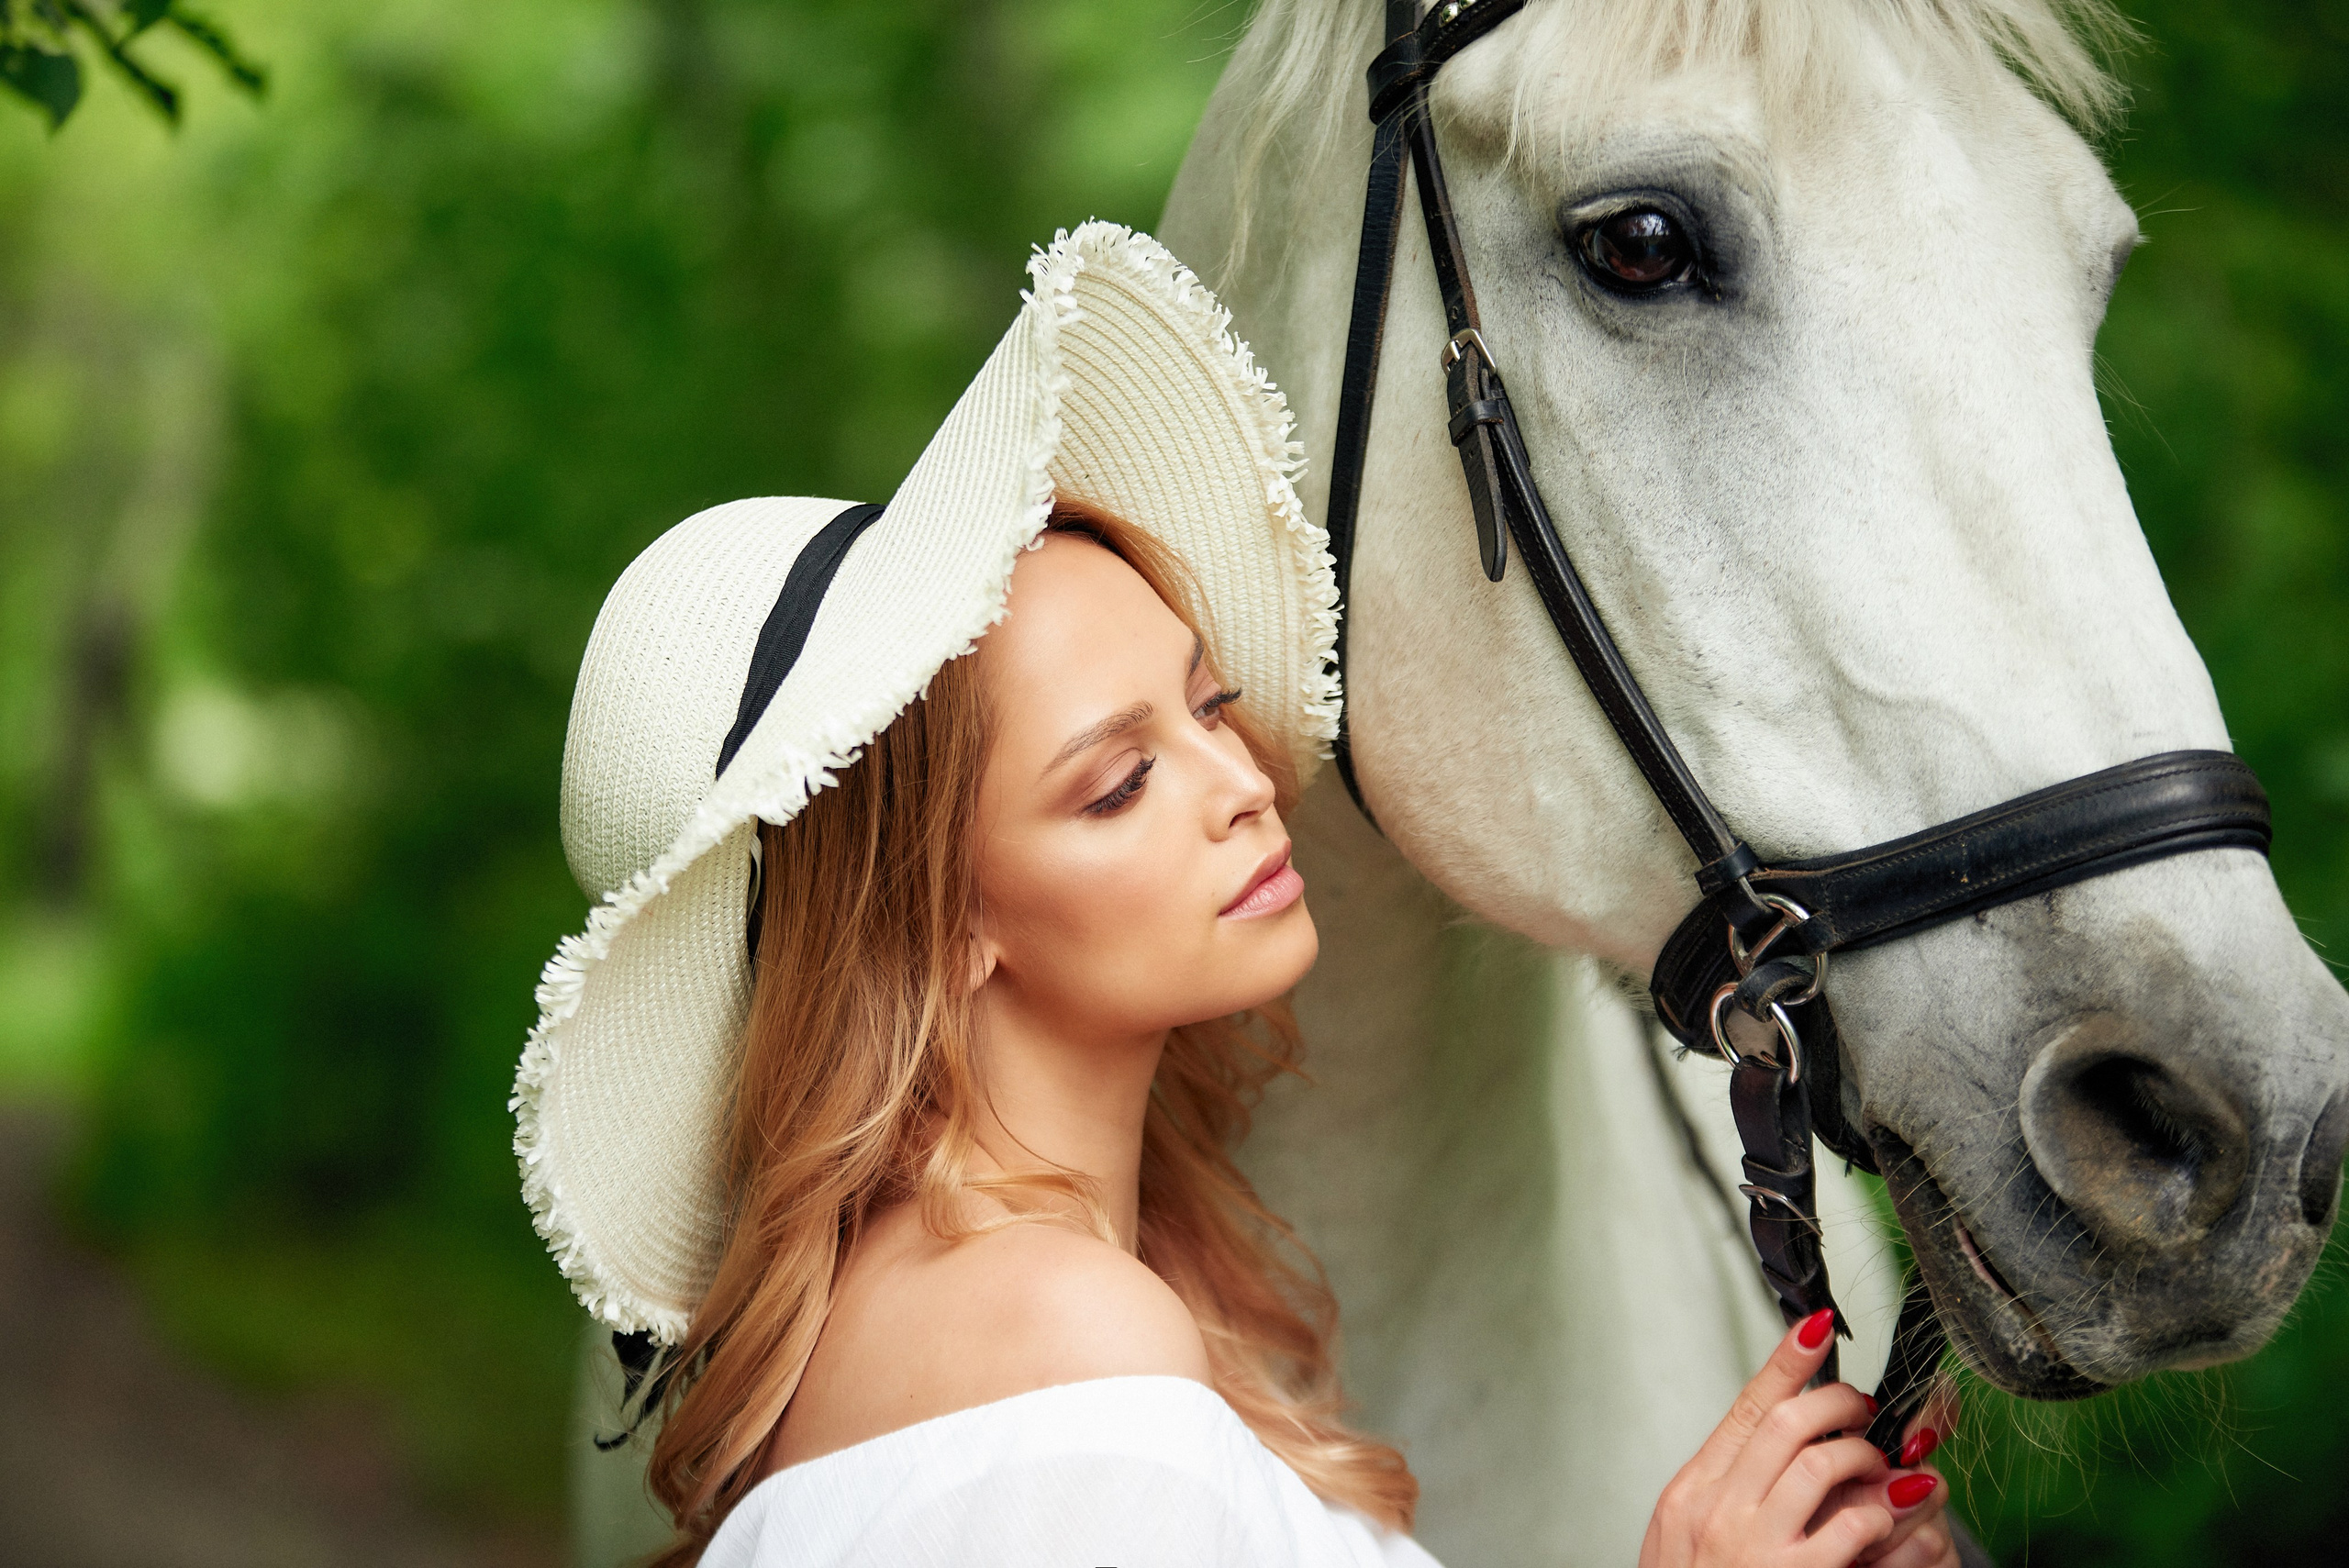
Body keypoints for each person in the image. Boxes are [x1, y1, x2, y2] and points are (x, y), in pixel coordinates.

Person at [514, 223, 1958, 1568]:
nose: (1243, 780)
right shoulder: (1058, 1333)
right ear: (942, 929)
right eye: (1117, 781)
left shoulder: (968, 1316)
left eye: (1209, 707)